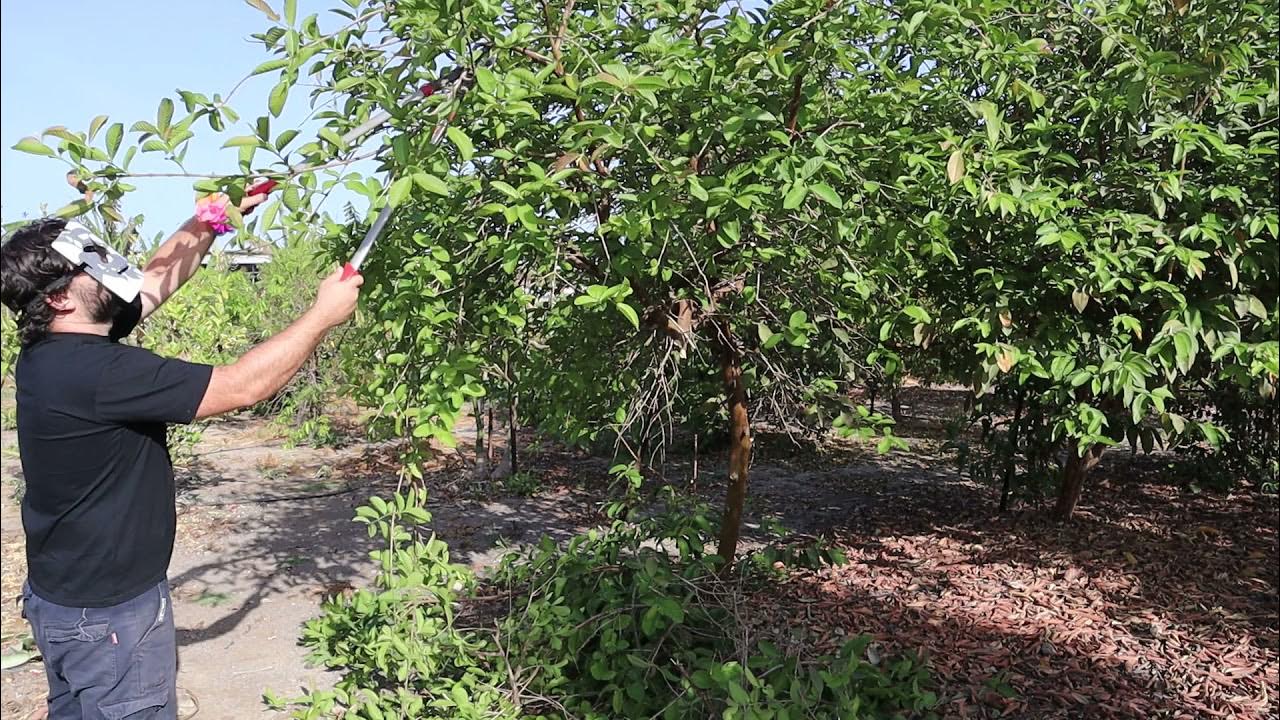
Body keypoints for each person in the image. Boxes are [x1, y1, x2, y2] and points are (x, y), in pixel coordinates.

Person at [0, 194, 364, 720]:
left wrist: (213, 219)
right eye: (93, 265)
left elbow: (150, 283)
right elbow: (240, 387)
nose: (110, 268)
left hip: (65, 600)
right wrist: (321, 317)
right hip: (109, 620)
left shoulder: (52, 352)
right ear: (58, 299)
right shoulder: (98, 373)